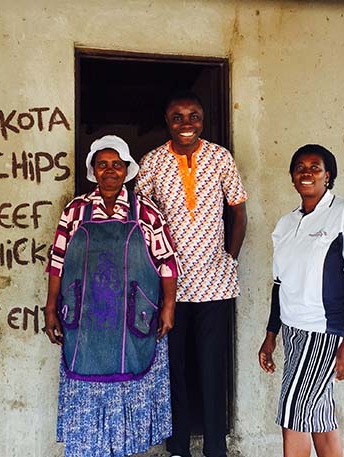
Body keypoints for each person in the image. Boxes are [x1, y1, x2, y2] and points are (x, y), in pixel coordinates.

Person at [44, 135, 180, 457]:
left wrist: (169, 306)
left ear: (126, 170)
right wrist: (51, 308)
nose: (109, 171)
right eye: (102, 165)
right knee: (88, 382)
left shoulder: (145, 211)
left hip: (132, 317)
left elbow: (167, 262)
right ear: (93, 170)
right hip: (86, 318)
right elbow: (57, 262)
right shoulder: (76, 210)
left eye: (116, 165)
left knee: (127, 383)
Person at [136, 91, 248, 457]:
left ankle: (216, 447)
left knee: (213, 368)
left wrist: (229, 259)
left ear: (203, 119)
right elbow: (140, 221)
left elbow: (239, 213)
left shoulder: (220, 157)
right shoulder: (151, 162)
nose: (187, 123)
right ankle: (178, 447)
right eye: (177, 117)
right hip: (168, 286)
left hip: (215, 283)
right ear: (166, 121)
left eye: (194, 116)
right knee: (174, 371)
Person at [258, 144, 344, 457]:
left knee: (293, 414)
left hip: (325, 330)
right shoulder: (285, 225)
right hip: (294, 331)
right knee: (318, 414)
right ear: (292, 177)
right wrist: (271, 337)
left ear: (328, 175)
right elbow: (279, 286)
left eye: (315, 166)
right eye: (300, 167)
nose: (307, 172)